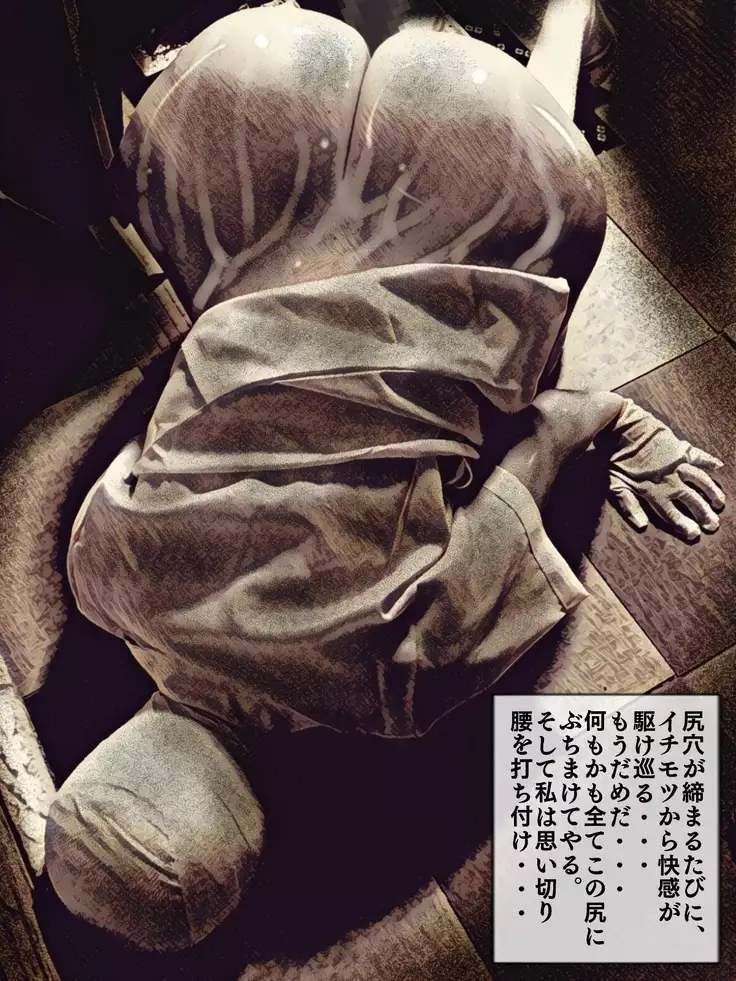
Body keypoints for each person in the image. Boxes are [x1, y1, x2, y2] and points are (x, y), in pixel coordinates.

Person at [46, 0, 726, 952]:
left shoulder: (394, 686)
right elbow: (164, 421)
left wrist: (619, 426)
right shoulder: (98, 574)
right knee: (250, 247)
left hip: (485, 155)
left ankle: (569, 24)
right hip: (254, 89)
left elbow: (542, 445)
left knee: (515, 295)